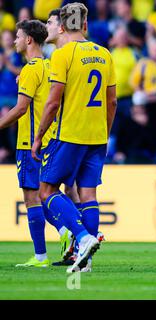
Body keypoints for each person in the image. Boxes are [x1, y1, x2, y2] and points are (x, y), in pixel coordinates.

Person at [31, 2, 117, 273]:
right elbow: (112, 101)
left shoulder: (62, 54)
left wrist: (39, 136)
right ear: (85, 25)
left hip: (68, 133)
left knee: (46, 191)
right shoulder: (105, 54)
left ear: (64, 24)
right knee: (88, 193)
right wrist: (105, 131)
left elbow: (53, 102)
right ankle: (85, 260)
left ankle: (83, 238)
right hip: (97, 136)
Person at [0, 20, 51, 267]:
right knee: (46, 194)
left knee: (32, 198)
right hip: (50, 139)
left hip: (29, 141)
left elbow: (21, 109)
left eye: (18, 37)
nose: (14, 41)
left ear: (29, 39)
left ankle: (45, 252)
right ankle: (72, 235)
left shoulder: (30, 69)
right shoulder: (50, 66)